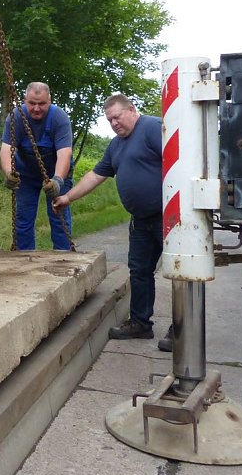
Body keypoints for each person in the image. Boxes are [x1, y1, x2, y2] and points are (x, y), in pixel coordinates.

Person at [52, 94, 172, 351]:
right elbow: (96, 175)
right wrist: (67, 198)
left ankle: (182, 329)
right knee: (139, 271)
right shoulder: (116, 145)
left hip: (169, 217)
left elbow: (178, 160)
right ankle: (140, 323)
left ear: (132, 109)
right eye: (109, 120)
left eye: (117, 117)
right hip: (141, 221)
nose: (114, 123)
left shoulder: (152, 128)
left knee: (179, 272)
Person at [0, 82, 74, 250]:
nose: (36, 108)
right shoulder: (15, 117)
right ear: (25, 100)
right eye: (32, 103)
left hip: (56, 173)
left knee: (59, 216)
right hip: (26, 175)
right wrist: (9, 173)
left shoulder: (59, 117)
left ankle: (64, 258)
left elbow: (64, 153)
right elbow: (7, 148)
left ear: (50, 101)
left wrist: (58, 180)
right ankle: (25, 258)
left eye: (41, 104)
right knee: (23, 219)